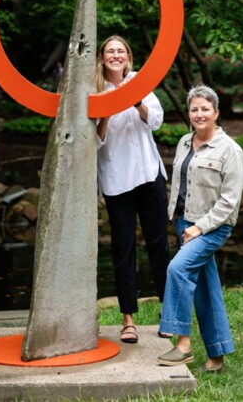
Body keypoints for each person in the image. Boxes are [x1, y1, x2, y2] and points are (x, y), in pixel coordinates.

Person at [157, 85, 243, 372]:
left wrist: (200, 228)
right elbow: (180, 183)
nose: (199, 114)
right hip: (184, 221)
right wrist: (176, 217)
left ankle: (182, 344)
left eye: (205, 108)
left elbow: (230, 201)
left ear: (216, 113)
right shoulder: (184, 142)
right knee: (206, 288)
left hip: (212, 227)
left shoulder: (230, 150)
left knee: (177, 269)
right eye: (194, 109)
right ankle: (217, 357)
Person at [96, 35, 170, 343]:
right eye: (110, 51)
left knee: (159, 246)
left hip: (149, 173)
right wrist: (106, 111)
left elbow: (156, 120)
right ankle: (128, 319)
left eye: (120, 51)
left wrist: (135, 98)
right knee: (123, 250)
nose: (115, 55)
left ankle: (171, 315)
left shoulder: (141, 82)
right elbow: (96, 141)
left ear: (128, 57)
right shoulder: (96, 91)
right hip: (116, 179)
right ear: (102, 58)